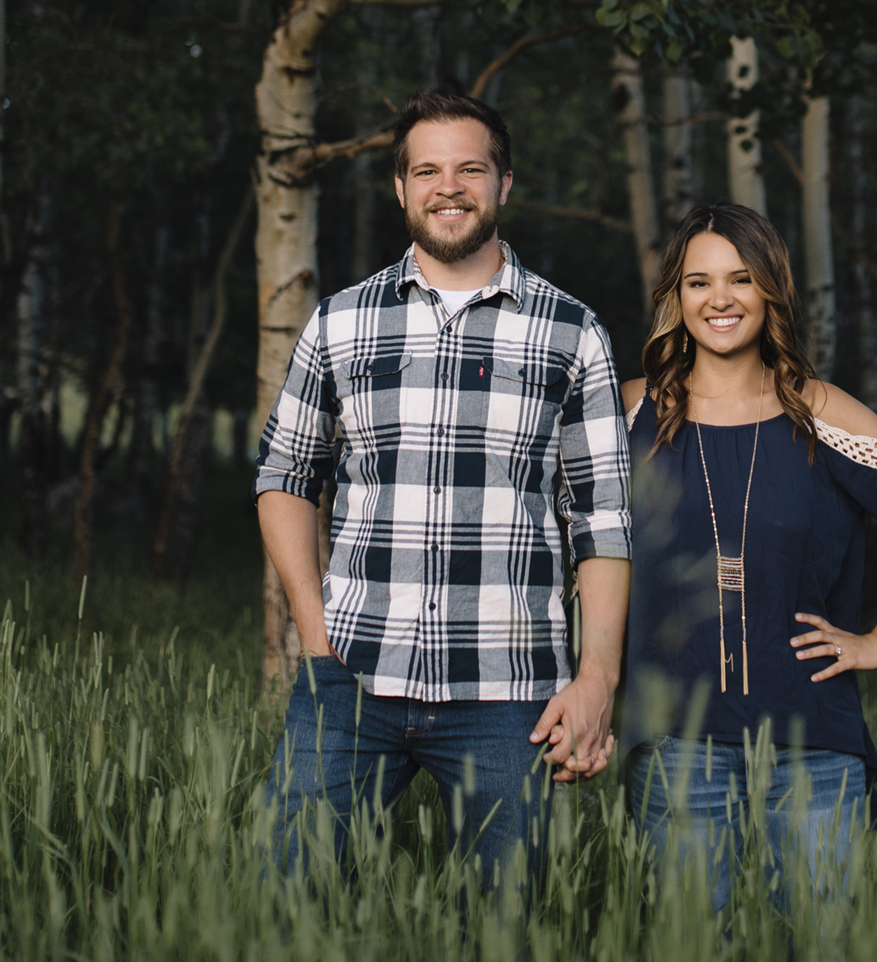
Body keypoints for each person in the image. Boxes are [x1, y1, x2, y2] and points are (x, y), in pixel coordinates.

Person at [255, 89, 633, 888]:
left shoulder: (572, 332)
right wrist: (316, 639)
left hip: (510, 697)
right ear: (400, 188)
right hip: (351, 678)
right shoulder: (340, 323)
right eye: (427, 169)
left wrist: (597, 677)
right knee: (289, 905)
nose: (448, 186)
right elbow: (287, 475)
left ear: (504, 184)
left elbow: (602, 521)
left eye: (470, 167)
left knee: (503, 931)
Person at [619, 201, 877, 914]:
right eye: (699, 281)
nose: (721, 299)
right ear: (676, 295)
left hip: (811, 740)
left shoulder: (819, 411)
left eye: (740, 278)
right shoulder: (631, 414)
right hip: (676, 746)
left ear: (771, 288)